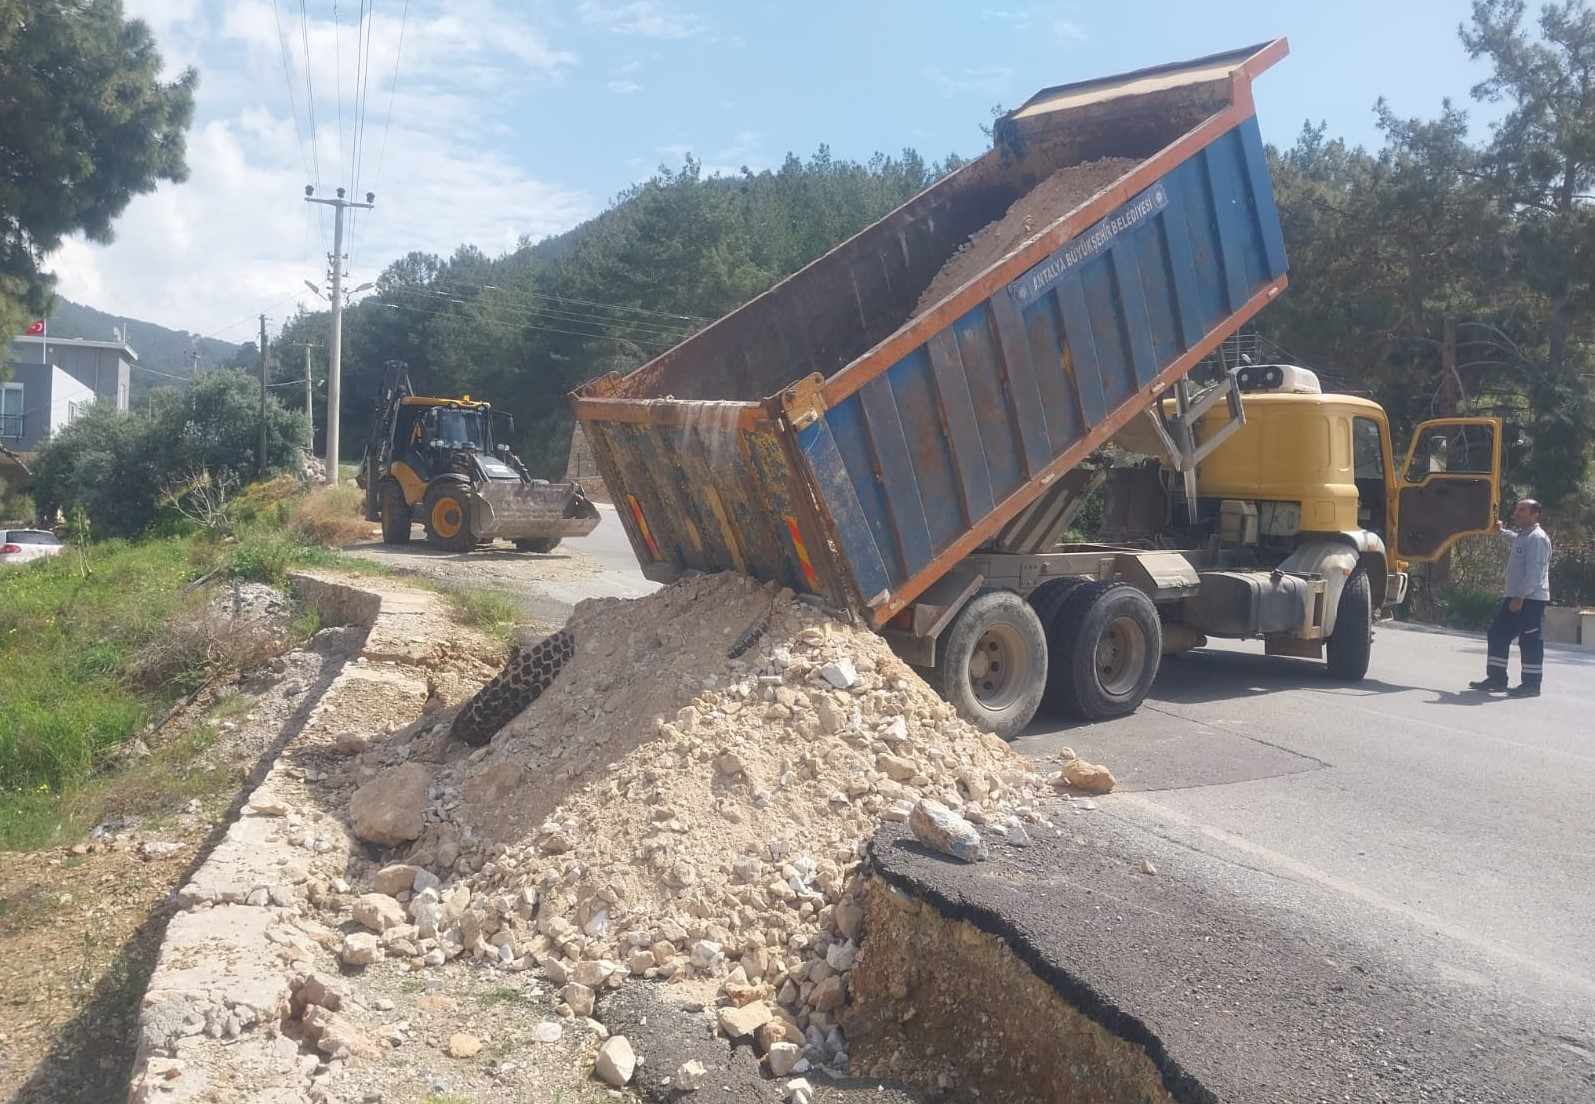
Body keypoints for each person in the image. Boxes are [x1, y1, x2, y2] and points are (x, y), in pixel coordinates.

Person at [1468, 498, 1552, 697]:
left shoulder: (1537, 538)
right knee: (1497, 634)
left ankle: (1531, 685)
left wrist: (1521, 597)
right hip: (1516, 597)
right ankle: (1497, 679)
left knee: (1530, 640)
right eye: (1517, 509)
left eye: (1522, 510)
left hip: (1530, 599)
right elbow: (1515, 540)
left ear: (1534, 514)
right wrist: (1501, 531)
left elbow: (1535, 572)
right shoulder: (1525, 536)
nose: (1517, 512)